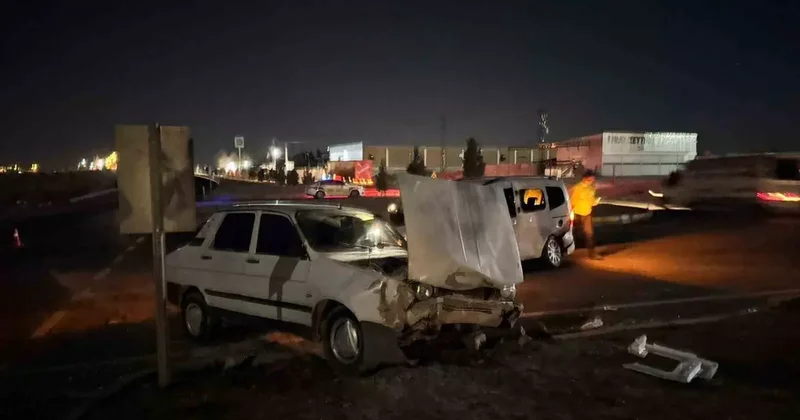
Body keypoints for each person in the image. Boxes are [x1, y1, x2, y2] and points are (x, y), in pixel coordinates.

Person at [569, 170, 602, 260]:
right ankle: (565, 252)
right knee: (570, 233)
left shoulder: (591, 188)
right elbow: (572, 201)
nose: (592, 181)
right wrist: (570, 212)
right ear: (585, 179)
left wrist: (596, 201)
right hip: (577, 214)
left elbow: (591, 201)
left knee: (589, 234)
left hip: (587, 214)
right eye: (590, 179)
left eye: (593, 179)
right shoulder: (578, 188)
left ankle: (592, 254)